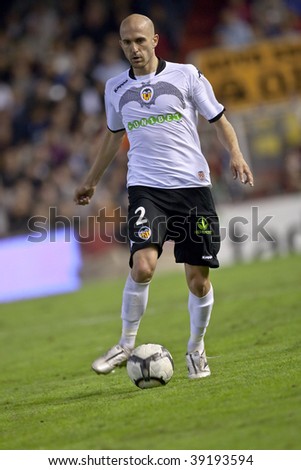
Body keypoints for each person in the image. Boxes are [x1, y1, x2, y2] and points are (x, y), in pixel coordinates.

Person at [74, 14, 254, 379]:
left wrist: (235, 154)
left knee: (198, 281)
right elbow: (113, 135)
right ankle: (126, 343)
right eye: (127, 43)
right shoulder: (115, 87)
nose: (134, 49)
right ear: (121, 45)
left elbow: (219, 118)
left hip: (192, 188)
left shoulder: (186, 75)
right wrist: (92, 179)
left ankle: (196, 348)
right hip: (146, 187)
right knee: (143, 266)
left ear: (155, 40)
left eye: (140, 41)